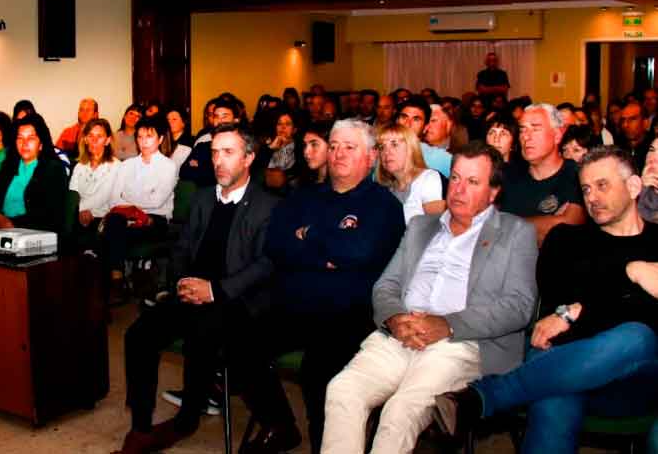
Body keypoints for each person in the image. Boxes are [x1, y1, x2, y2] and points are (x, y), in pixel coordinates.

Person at [435, 146, 658, 454]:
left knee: (638, 335)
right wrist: (630, 278)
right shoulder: (566, 240)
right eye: (586, 189)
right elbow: (554, 313)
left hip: (632, 383)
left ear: (633, 187)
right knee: (555, 383)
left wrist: (580, 310)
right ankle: (486, 398)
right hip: (560, 363)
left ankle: (486, 397)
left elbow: (649, 318)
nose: (592, 197)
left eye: (602, 185)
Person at [323, 141, 537, 454]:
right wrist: (395, 318)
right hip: (401, 333)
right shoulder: (421, 227)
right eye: (456, 178)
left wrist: (447, 325)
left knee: (401, 410)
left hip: (460, 341)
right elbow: (386, 285)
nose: (459, 189)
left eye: (473, 182)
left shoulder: (515, 232)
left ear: (493, 193)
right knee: (343, 389)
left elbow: (519, 306)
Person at [238, 119, 406, 453]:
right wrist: (325, 250)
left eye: (349, 147)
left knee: (319, 375)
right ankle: (280, 425)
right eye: (333, 146)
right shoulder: (305, 195)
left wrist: (307, 237)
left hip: (347, 314)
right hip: (293, 304)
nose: (338, 154)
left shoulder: (384, 205)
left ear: (371, 156)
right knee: (238, 341)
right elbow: (275, 244)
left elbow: (358, 252)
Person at [112, 125, 279, 454]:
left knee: (202, 334)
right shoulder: (204, 197)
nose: (218, 160)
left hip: (235, 299)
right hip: (192, 292)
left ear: (248, 158)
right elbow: (181, 248)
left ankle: (188, 416)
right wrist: (181, 282)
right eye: (215, 152)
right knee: (138, 335)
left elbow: (265, 265)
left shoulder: (267, 205)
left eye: (228, 153)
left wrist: (214, 290)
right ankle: (141, 426)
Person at [102, 116, 178, 286]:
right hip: (125, 217)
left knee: (113, 232)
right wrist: (132, 203)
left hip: (155, 218)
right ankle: (119, 274)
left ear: (160, 139)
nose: (143, 142)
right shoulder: (127, 164)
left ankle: (119, 275)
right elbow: (114, 197)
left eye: (149, 136)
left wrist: (128, 198)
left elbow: (156, 201)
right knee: (114, 222)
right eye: (140, 136)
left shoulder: (168, 166)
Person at [499, 103, 586, 246]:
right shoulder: (508, 174)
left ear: (557, 135)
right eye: (522, 130)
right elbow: (490, 227)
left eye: (535, 128)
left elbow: (568, 228)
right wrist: (549, 221)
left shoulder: (576, 174)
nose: (526, 137)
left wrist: (509, 225)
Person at [0, 113, 69, 234]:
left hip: (33, 232)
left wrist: (12, 224)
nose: (24, 143)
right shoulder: (9, 166)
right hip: (0, 227)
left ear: (41, 144)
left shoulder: (54, 169)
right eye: (20, 138)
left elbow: (49, 216)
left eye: (31, 138)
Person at [375, 123, 445, 224]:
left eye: (394, 144)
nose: (387, 152)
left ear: (411, 148)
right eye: (382, 147)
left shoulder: (428, 178)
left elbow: (435, 228)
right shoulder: (385, 189)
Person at [69, 118, 120, 250]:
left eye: (99, 136)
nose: (94, 140)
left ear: (107, 140)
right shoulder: (79, 166)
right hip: (79, 215)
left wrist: (82, 210)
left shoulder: (116, 166)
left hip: (103, 217)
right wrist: (80, 211)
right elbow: (73, 195)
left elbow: (104, 196)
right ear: (85, 139)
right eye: (90, 136)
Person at [180, 99, 240, 187]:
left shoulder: (242, 147)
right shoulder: (203, 147)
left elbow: (232, 177)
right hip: (206, 196)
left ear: (236, 120)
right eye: (216, 116)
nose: (220, 121)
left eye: (224, 116)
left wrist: (200, 167)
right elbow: (184, 172)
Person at [397, 96, 451, 177]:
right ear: (397, 121)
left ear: (425, 127)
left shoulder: (440, 159)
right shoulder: (382, 152)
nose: (408, 124)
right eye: (404, 117)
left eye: (416, 119)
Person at [264, 109, 297, 191]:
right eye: (279, 124)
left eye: (288, 124)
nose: (283, 127)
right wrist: (271, 148)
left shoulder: (299, 148)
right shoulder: (268, 146)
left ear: (294, 129)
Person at [619, 101, 654, 174]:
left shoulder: (654, 150)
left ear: (645, 123)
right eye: (623, 120)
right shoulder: (618, 149)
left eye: (632, 119)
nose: (625, 125)